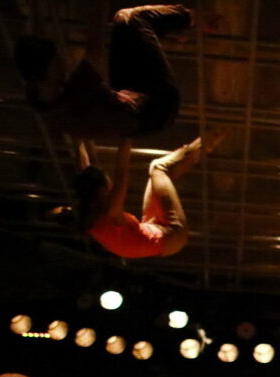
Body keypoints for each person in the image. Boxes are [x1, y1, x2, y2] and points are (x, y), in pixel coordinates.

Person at [15, 2, 192, 141]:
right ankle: (192, 19)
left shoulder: (37, 92)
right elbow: (95, 43)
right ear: (47, 74)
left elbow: (38, 34)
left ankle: (177, 28)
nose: (62, 62)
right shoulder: (76, 98)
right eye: (56, 62)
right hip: (157, 109)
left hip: (124, 99)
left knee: (123, 22)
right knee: (131, 18)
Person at [72, 130, 224, 259]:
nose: (109, 182)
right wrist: (128, 133)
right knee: (159, 168)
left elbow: (83, 167)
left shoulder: (92, 210)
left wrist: (76, 136)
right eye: (107, 180)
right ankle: (206, 143)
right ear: (101, 191)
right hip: (172, 235)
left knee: (158, 170)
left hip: (151, 228)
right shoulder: (110, 211)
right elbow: (121, 172)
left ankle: (204, 145)